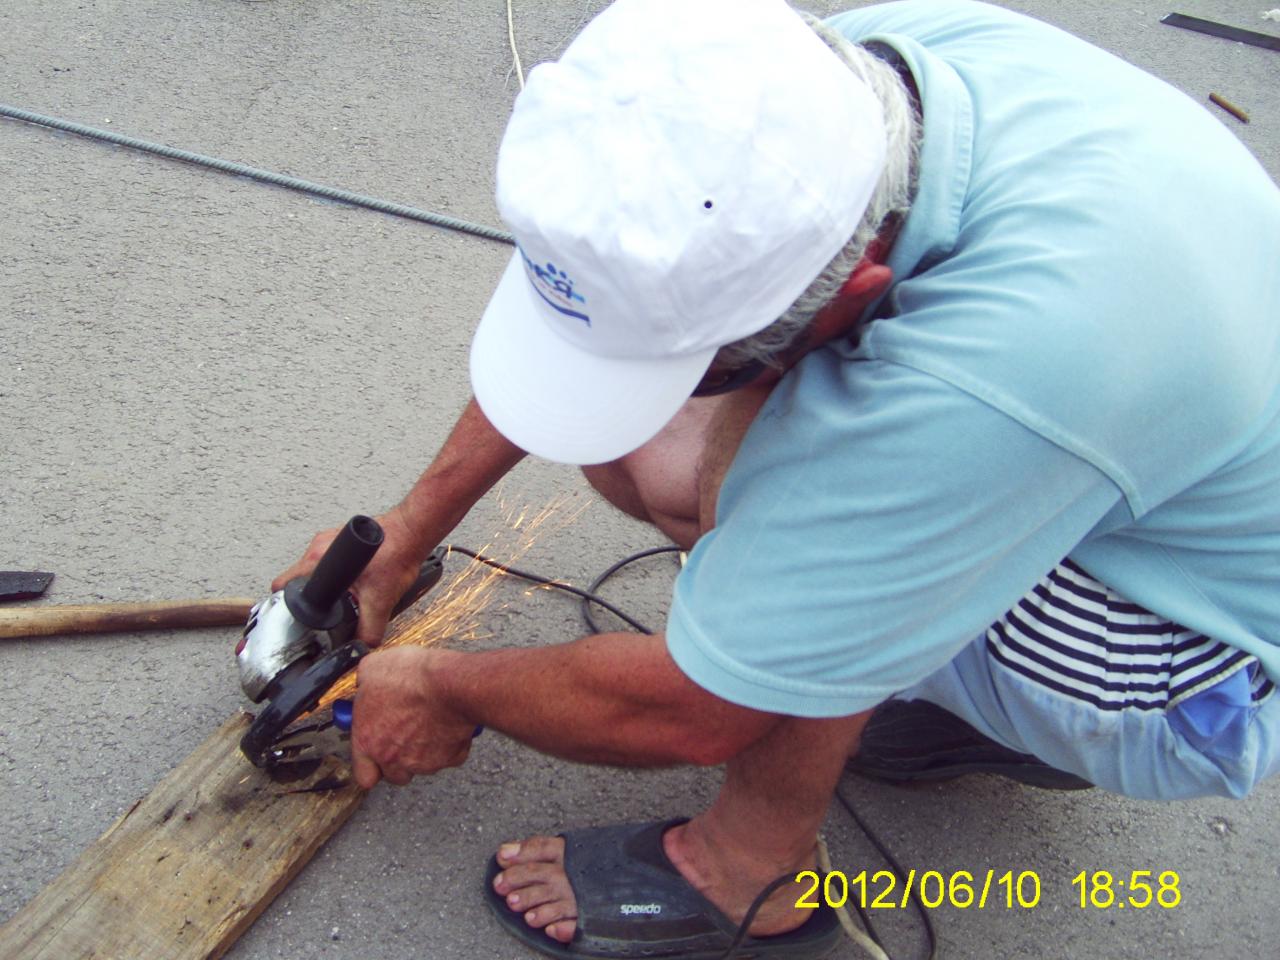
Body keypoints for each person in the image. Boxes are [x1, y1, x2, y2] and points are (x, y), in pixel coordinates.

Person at [272, 0, 1280, 956]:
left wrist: (449, 689)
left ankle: (748, 871)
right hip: (1128, 468)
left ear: (857, 290)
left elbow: (698, 710)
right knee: (699, 452)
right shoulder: (807, 93)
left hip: (1187, 666)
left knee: (747, 491)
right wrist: (405, 530)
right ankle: (923, 691)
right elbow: (603, 298)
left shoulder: (1000, 366)